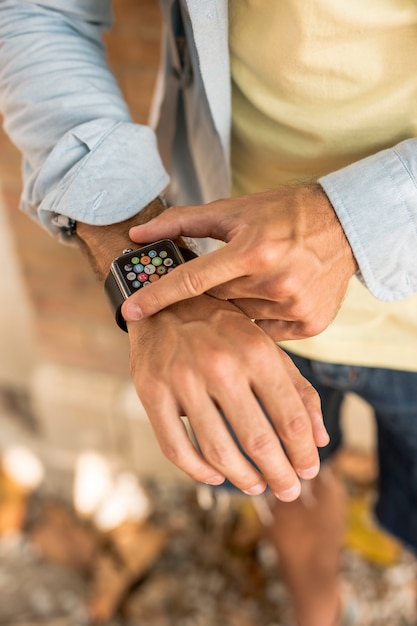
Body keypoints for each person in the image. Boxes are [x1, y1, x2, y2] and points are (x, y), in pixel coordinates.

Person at [0, 2, 417, 625]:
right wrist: (160, 283)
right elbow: (37, 11)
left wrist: (349, 223)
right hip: (224, 287)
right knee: (280, 487)